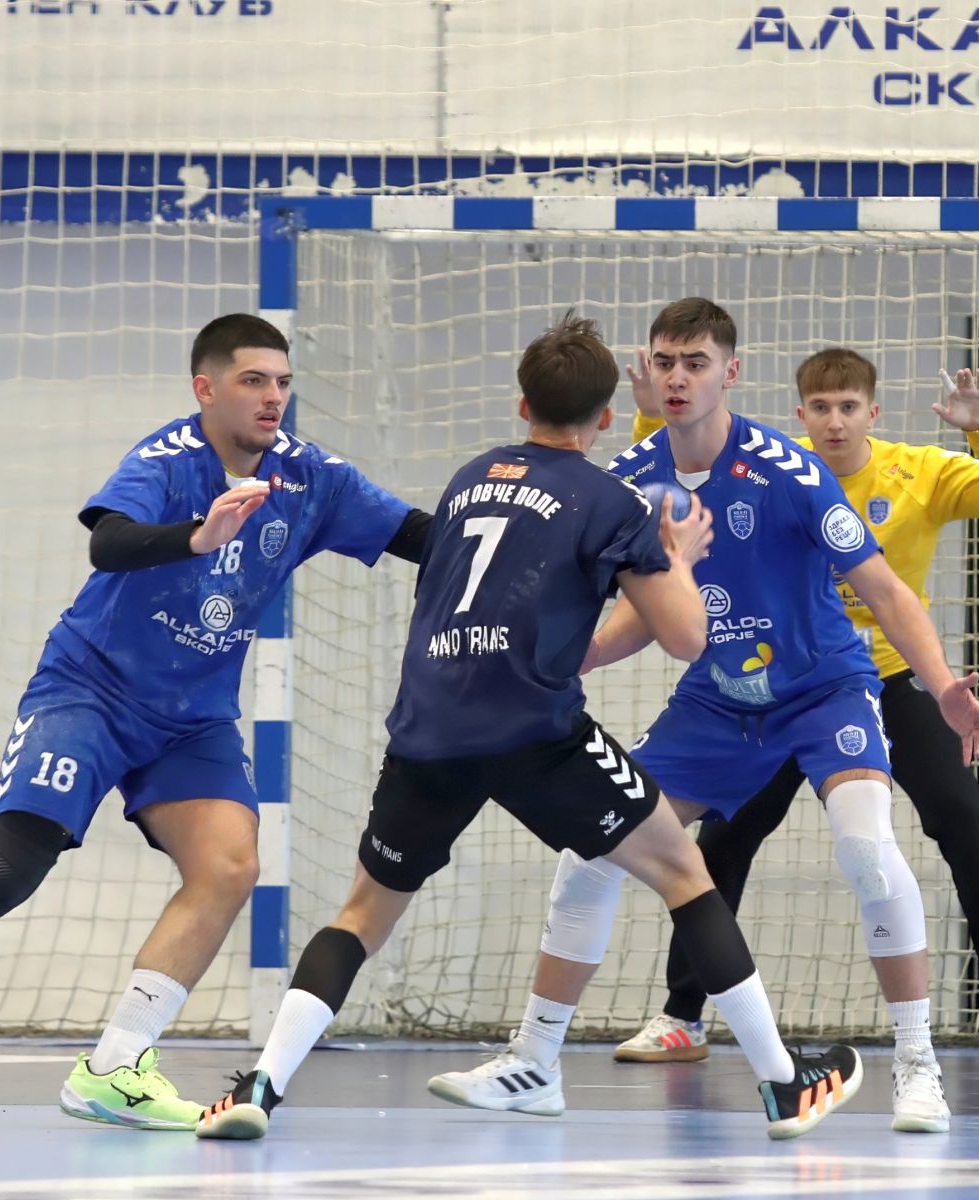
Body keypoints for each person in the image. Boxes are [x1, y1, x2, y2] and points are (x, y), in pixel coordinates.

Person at [196, 313, 862, 1142]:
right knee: (685, 875)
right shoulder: (613, 500)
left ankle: (261, 1086)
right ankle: (784, 1086)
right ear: (608, 417)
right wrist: (679, 560)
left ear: (521, 405)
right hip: (533, 731)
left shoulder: (469, 478)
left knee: (362, 913)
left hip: (428, 730)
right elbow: (687, 638)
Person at [432, 298, 979, 1135]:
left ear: (729, 372)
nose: (677, 377)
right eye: (664, 361)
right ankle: (534, 1062)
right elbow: (641, 617)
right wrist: (566, 658)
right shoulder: (630, 481)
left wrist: (941, 682)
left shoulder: (790, 470)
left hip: (821, 693)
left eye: (695, 362)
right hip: (713, 703)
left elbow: (884, 589)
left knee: (867, 851)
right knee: (588, 856)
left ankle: (917, 1067)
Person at [0, 314, 427, 1130]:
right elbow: (110, 542)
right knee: (6, 872)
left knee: (230, 867)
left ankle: (114, 1067)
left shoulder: (313, 478)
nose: (272, 397)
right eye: (252, 380)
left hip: (192, 719)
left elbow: (421, 536)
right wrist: (199, 535)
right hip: (89, 691)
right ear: (206, 388)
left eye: (281, 382)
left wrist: (539, 546)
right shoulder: (167, 459)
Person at [614, 347, 979, 1064]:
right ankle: (683, 1014)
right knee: (723, 838)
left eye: (848, 407)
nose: (835, 421)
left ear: (872, 413)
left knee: (960, 819)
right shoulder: (776, 469)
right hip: (791, 683)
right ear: (801, 415)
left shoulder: (918, 472)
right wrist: (648, 414)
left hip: (889, 679)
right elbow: (669, 485)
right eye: (820, 408)